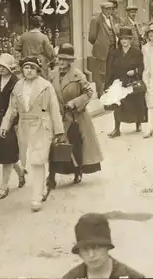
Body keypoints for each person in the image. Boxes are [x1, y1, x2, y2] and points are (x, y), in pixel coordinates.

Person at [0, 56, 65, 212]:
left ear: (37, 70)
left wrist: (59, 130)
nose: (28, 71)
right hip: (24, 127)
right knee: (30, 161)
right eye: (26, 67)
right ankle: (41, 187)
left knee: (38, 160)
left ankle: (36, 197)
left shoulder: (46, 86)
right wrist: (5, 124)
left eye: (32, 68)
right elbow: (12, 108)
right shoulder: (18, 87)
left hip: (42, 125)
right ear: (22, 69)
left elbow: (54, 109)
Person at [46, 43, 103, 198]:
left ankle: (77, 170)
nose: (62, 62)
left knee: (74, 145)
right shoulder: (51, 75)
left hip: (74, 117)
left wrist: (74, 103)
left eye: (65, 60)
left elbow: (89, 92)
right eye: (60, 59)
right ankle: (51, 178)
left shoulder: (78, 75)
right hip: (57, 116)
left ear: (70, 61)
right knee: (54, 146)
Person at [0, 53, 27, 200]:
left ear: (11, 68)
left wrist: (16, 122)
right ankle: (20, 172)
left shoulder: (17, 82)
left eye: (4, 67)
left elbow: (20, 105)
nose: (1, 69)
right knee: (4, 153)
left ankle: (4, 186)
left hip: (10, 123)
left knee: (7, 153)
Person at [62, 213, 145, 279]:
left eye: (96, 247)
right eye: (85, 249)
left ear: (107, 247)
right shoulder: (71, 277)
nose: (91, 255)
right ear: (79, 253)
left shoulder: (132, 277)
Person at [88, 1, 118, 98]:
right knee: (100, 73)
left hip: (112, 49)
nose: (109, 11)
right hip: (101, 50)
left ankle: (108, 91)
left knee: (110, 71)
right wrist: (99, 44)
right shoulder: (96, 20)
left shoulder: (111, 19)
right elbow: (91, 37)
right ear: (102, 9)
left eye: (111, 9)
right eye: (107, 9)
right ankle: (100, 93)